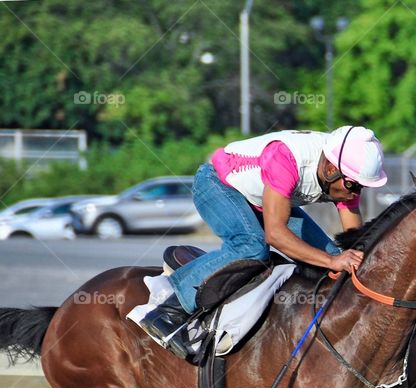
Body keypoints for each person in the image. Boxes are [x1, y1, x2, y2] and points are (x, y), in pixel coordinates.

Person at [140, 125, 388, 357]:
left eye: (362, 188)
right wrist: (333, 260)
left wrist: (357, 260)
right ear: (332, 169)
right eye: (354, 186)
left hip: (262, 199)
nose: (356, 194)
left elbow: (354, 243)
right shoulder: (286, 158)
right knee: (252, 247)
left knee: (334, 259)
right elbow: (276, 235)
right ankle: (169, 307)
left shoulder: (343, 174)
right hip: (217, 184)